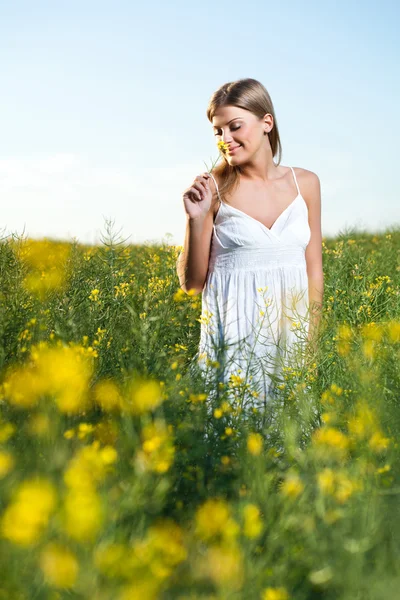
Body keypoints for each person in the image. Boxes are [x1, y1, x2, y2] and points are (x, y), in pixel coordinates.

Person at [177, 78, 323, 417]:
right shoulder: (211, 189)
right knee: (236, 452)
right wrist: (194, 220)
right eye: (217, 131)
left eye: (234, 126)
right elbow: (192, 284)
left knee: (292, 450)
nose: (225, 139)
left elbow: (314, 270)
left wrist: (311, 345)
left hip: (292, 345)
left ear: (266, 123)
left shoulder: (307, 184)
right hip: (234, 348)